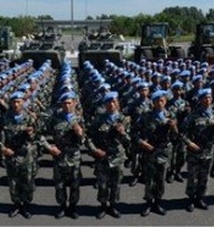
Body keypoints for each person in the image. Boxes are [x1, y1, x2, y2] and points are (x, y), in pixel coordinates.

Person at [180, 88, 214, 212]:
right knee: (192, 177)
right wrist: (189, 143)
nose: (207, 100)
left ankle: (200, 198)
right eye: (205, 98)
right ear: (200, 100)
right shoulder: (192, 116)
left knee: (204, 177)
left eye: (209, 98)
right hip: (194, 152)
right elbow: (182, 134)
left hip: (208, 151)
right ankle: (191, 199)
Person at [39, 91, 86, 219]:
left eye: (69, 103)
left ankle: (72, 207)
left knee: (75, 184)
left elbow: (83, 141)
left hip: (74, 157)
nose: (67, 106)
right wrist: (49, 147)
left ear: (75, 103)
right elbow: (40, 134)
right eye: (64, 103)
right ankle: (62, 206)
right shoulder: (55, 119)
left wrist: (79, 132)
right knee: (59, 184)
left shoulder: (80, 119)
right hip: (59, 156)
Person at [86, 91, 131, 219]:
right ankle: (103, 206)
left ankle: (113, 206)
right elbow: (89, 138)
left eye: (114, 101)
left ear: (117, 103)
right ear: (105, 105)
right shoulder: (98, 119)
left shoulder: (124, 120)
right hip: (103, 157)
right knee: (103, 183)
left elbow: (130, 141)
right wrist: (94, 150)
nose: (111, 104)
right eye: (108, 102)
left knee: (116, 183)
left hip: (117, 156)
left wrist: (123, 133)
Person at [0, 91, 38, 219]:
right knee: (13, 181)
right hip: (10, 153)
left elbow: (39, 135)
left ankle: (26, 205)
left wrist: (31, 134)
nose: (16, 104)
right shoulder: (5, 117)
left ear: (23, 102)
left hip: (26, 154)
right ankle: (17, 204)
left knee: (27, 180)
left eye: (19, 102)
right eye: (14, 102)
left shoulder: (30, 117)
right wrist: (2, 148)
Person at [135, 90, 178, 216]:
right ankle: (148, 202)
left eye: (162, 100)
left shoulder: (170, 115)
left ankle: (158, 202)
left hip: (164, 151)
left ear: (165, 101)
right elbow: (134, 132)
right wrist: (142, 143)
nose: (160, 103)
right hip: (150, 151)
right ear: (153, 102)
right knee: (150, 179)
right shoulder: (146, 116)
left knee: (161, 178)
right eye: (157, 101)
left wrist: (173, 127)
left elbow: (175, 136)